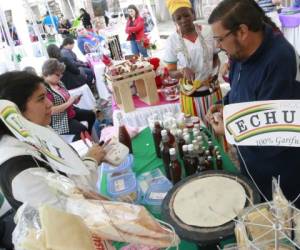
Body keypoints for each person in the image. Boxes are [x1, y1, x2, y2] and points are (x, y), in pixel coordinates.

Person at [206, 0, 300, 206]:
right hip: (252, 161)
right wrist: (226, 105)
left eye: (220, 39)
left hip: (279, 170)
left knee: (282, 224)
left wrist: (230, 128)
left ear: (242, 31)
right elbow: (242, 89)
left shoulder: (280, 60)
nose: (219, 46)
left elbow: (273, 130)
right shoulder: (241, 51)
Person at [0, 72, 105, 244]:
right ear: (14, 110)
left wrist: (89, 160)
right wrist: (91, 161)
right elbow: (71, 207)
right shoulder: (20, 169)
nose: (50, 104)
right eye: (41, 99)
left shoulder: (34, 133)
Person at [164, 0, 222, 127]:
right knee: (197, 131)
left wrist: (214, 72)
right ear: (174, 20)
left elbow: (216, 56)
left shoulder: (208, 32)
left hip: (212, 91)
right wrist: (182, 71)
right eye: (178, 18)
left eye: (186, 15)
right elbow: (171, 72)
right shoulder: (172, 41)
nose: (183, 20)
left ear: (193, 14)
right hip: (190, 96)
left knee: (217, 126)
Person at [42, 59, 96, 141]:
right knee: (82, 129)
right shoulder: (44, 89)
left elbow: (65, 98)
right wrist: (69, 102)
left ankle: (88, 138)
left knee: (91, 115)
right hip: (59, 120)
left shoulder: (59, 83)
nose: (60, 76)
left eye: (61, 74)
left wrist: (74, 100)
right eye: (57, 75)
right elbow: (51, 110)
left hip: (69, 112)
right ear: (47, 73)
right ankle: (81, 145)